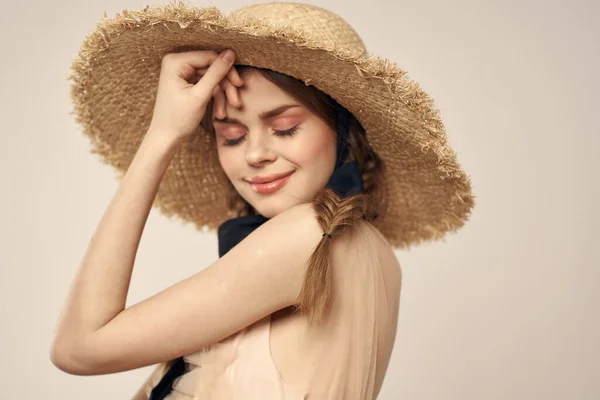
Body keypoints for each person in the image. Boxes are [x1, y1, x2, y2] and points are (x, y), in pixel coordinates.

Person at [51, 2, 475, 399]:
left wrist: (162, 136)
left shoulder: (306, 237)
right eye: (231, 135)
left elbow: (78, 348)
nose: (255, 154)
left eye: (285, 127)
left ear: (344, 130)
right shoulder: (364, 249)